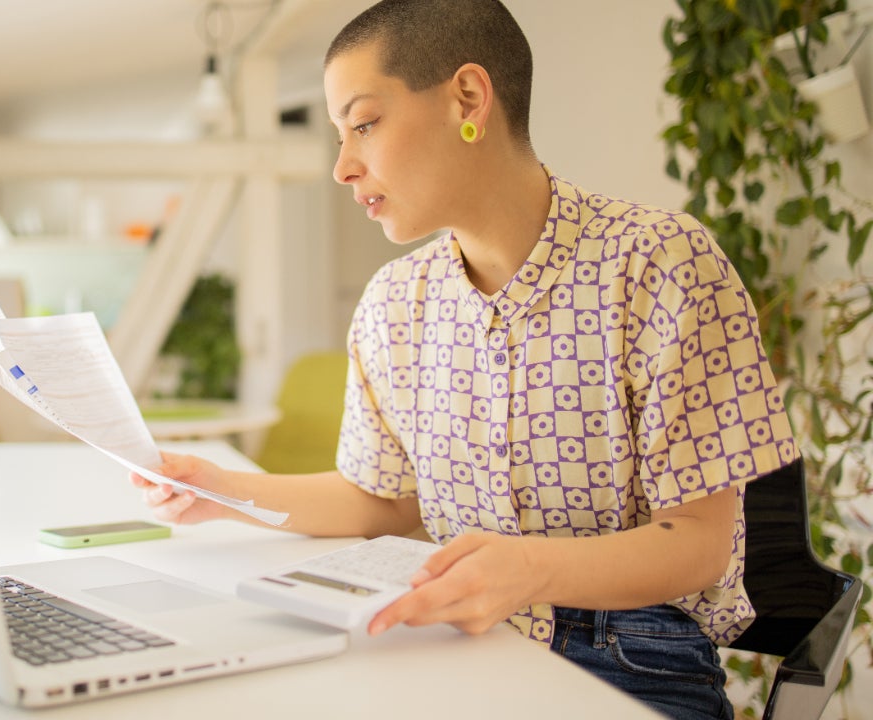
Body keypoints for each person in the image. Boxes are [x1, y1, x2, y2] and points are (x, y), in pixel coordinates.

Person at [130, 1, 796, 717]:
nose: (342, 166)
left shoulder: (661, 264)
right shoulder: (394, 304)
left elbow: (696, 544)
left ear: (468, 99)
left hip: (631, 657)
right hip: (452, 643)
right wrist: (222, 490)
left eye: (363, 123)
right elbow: (382, 500)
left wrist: (529, 569)